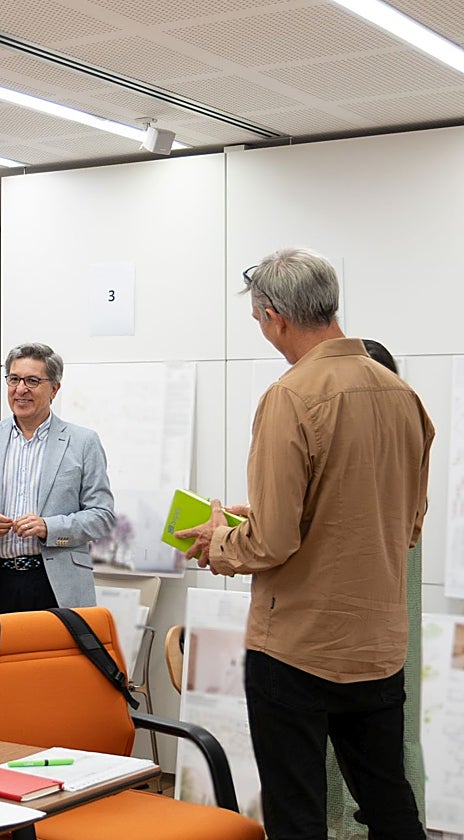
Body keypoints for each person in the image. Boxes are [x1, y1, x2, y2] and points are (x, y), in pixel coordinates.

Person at [178, 249, 433, 840]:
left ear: (275, 317)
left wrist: (220, 541)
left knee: (297, 813)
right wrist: (265, 519)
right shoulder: (404, 398)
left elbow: (270, 542)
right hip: (378, 646)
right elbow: (404, 525)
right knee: (389, 803)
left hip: (297, 647)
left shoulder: (290, 396)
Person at [326, 338, 427, 838]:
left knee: (383, 741)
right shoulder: (401, 430)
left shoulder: (392, 436)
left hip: (373, 612)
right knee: (375, 741)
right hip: (363, 617)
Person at [0, 342, 116, 614]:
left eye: (32, 381)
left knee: (56, 658)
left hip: (55, 584)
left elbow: (103, 516)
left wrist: (49, 527)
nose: (20, 389)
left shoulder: (82, 442)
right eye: (14, 379)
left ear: (54, 388)